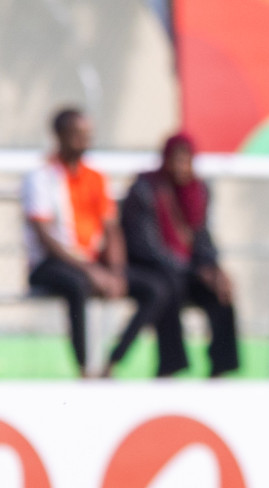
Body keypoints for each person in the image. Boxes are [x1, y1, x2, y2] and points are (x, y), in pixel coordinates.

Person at [22, 108, 171, 377]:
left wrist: (115, 270)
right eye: (77, 135)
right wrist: (91, 271)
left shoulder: (96, 177)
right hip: (51, 263)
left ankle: (112, 364)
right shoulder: (41, 178)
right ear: (60, 136)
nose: (84, 142)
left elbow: (112, 228)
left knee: (156, 288)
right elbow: (46, 238)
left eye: (87, 135)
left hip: (93, 265)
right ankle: (83, 369)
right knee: (77, 285)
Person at [120, 133, 240, 377]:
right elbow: (146, 246)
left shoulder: (197, 191)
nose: (180, 167)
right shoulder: (145, 189)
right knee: (167, 288)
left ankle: (221, 366)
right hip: (153, 268)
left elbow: (202, 236)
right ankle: (171, 365)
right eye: (176, 159)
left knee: (221, 291)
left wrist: (213, 268)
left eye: (186, 160)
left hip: (187, 270)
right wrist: (194, 270)